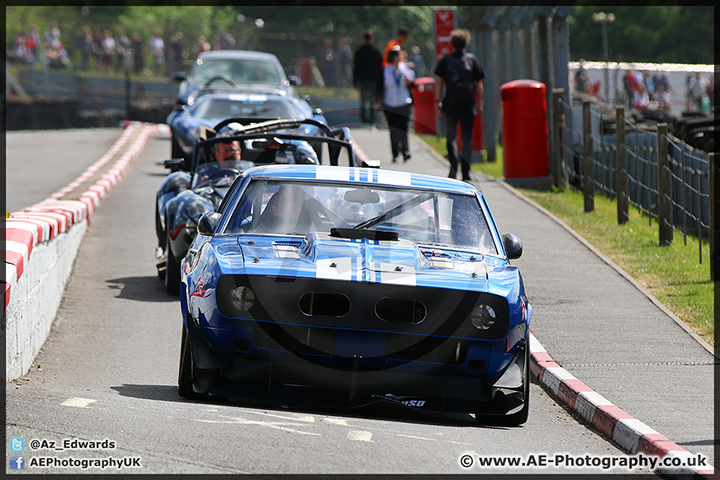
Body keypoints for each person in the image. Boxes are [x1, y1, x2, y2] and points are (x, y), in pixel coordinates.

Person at [434, 29, 484, 181]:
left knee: (451, 136)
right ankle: (466, 171)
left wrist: (438, 101)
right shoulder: (472, 60)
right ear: (465, 43)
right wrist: (479, 102)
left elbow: (440, 82)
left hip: (450, 104)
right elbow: (478, 84)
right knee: (467, 138)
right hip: (468, 104)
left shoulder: (446, 60)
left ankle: (453, 165)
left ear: (452, 44)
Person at [382, 47, 415, 163]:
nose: (397, 59)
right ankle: (395, 153)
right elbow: (381, 86)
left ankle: (405, 151)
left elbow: (412, 81)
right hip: (390, 103)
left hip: (403, 102)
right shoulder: (386, 70)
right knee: (393, 129)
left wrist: (410, 81)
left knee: (403, 128)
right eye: (395, 57)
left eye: (398, 56)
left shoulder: (404, 68)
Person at [353, 29, 384, 129]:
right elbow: (381, 68)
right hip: (374, 80)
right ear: (372, 39)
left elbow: (355, 68)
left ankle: (364, 121)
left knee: (363, 100)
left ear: (363, 39)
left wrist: (355, 82)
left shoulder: (359, 52)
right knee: (372, 101)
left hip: (362, 80)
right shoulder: (376, 52)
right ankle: (371, 121)